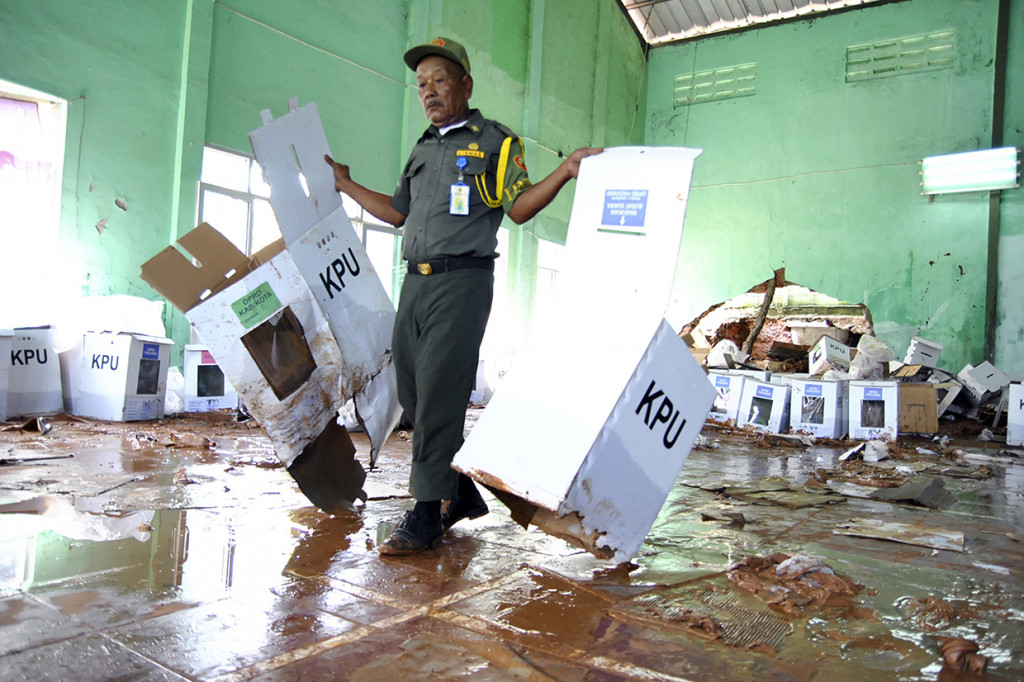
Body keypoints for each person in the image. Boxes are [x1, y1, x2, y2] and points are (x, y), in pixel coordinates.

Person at [325, 37, 602, 556]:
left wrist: (565, 172)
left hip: (462, 282)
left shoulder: (495, 143)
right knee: (413, 393)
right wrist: (345, 185)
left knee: (438, 396)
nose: (429, 92)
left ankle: (427, 513)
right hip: (416, 281)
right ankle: (460, 493)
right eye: (421, 85)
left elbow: (519, 208)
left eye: (440, 81)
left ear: (466, 86)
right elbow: (396, 212)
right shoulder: (422, 149)